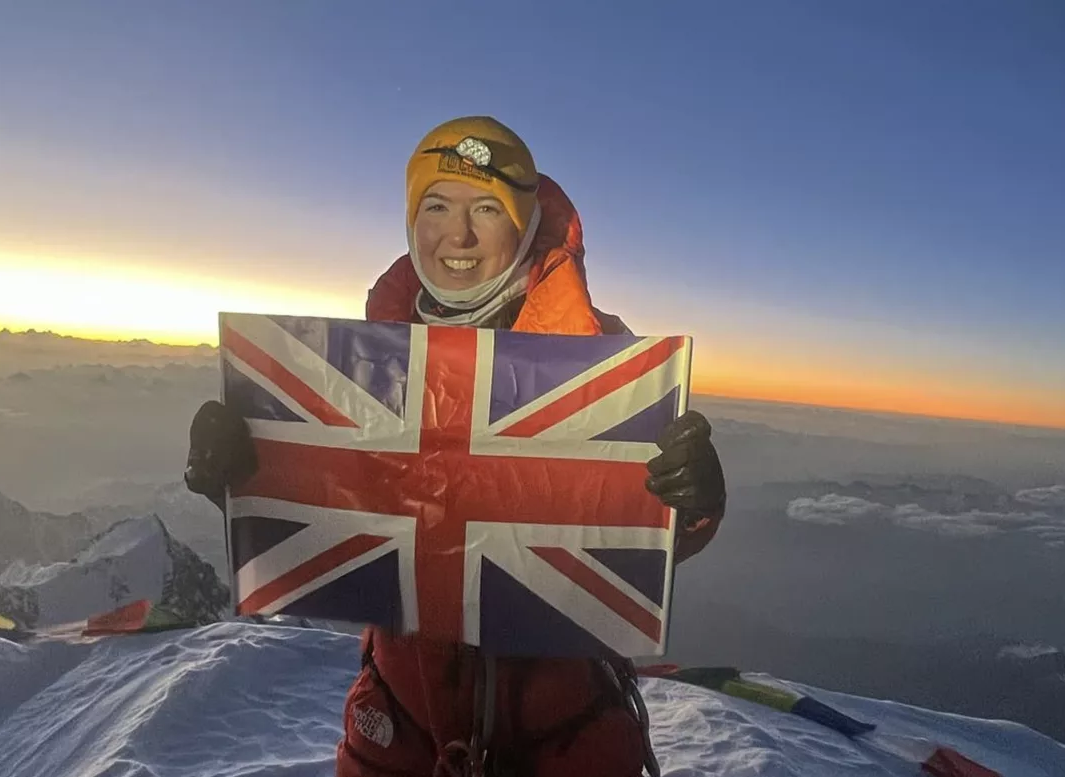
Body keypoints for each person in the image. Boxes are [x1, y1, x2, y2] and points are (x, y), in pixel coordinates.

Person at [185, 116, 728, 777]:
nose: (458, 234)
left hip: (564, 738)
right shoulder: (357, 368)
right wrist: (245, 475)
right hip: (398, 728)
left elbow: (632, 544)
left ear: (526, 225)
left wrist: (690, 502)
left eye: (487, 209)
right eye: (436, 206)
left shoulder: (607, 367)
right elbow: (339, 506)